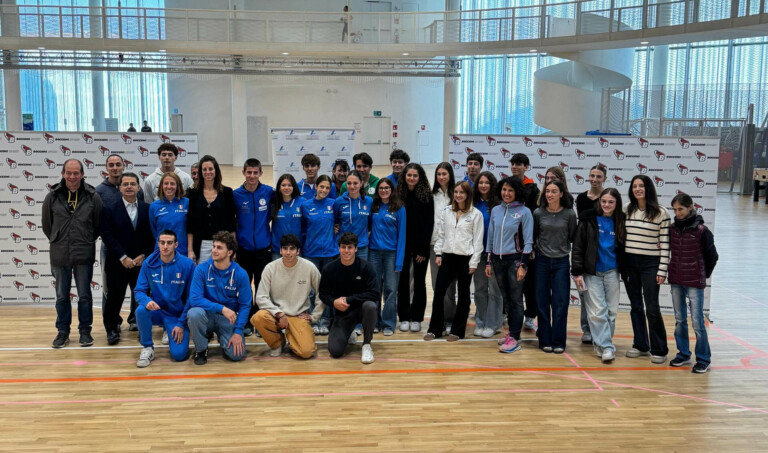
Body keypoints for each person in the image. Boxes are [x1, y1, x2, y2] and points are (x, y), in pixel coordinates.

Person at [43, 159, 103, 348]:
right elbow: (47, 225)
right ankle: (62, 332)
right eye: (68, 173)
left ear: (82, 174)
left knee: (84, 295)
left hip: (84, 252)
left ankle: (85, 331)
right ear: (62, 174)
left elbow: (97, 225)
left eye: (76, 173)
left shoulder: (92, 196)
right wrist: (59, 238)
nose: (72, 176)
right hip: (59, 253)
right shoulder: (52, 196)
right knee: (62, 296)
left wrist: (85, 238)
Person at [100, 172, 154, 344]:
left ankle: (142, 328)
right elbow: (107, 235)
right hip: (117, 263)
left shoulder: (148, 209)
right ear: (120, 188)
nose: (129, 187)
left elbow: (152, 236)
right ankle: (111, 329)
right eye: (125, 184)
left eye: (133, 184)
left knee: (142, 297)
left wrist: (143, 255)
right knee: (114, 297)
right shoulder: (109, 209)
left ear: (138, 187)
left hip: (141, 263)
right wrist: (123, 257)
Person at [425, 181, 484, 341]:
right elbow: (441, 234)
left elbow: (478, 241)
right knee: (439, 292)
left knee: (464, 295)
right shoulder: (447, 211)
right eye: (456, 192)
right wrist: (438, 253)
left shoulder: (476, 214)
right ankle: (435, 329)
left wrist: (474, 262)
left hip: (466, 259)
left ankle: (458, 331)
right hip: (448, 257)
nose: (458, 195)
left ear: (468, 194)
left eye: (462, 192)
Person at [572, 188, 625, 363]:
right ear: (599, 202)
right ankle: (607, 347)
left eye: (611, 202)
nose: (607, 205)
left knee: (611, 312)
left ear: (616, 204)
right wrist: (577, 271)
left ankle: (602, 344)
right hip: (591, 272)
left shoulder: (621, 220)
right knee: (597, 311)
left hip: (612, 272)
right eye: (604, 201)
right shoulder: (588, 219)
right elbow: (578, 246)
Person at [668, 193, 719, 374]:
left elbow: (712, 256)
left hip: (694, 282)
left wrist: (702, 274)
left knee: (697, 322)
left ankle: (703, 359)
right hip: (676, 280)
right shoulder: (672, 229)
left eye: (680, 209)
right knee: (679, 320)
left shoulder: (702, 231)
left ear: (691, 207)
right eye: (675, 210)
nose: (677, 213)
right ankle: (683, 354)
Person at [251, 234, 323, 359]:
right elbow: (261, 297)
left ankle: (294, 338)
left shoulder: (309, 267)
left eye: (292, 249)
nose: (288, 252)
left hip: (298, 315)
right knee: (258, 318)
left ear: (298, 251)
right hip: (276, 315)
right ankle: (277, 343)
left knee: (306, 352)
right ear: (280, 250)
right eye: (285, 248)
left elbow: (321, 292)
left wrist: (314, 316)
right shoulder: (270, 268)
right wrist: (279, 313)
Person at [624, 174, 671, 364]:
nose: (637, 189)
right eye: (634, 186)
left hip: (651, 264)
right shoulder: (626, 209)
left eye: (641, 186)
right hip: (630, 263)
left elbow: (665, 244)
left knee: (652, 307)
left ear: (648, 188)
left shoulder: (661, 212)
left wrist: (662, 270)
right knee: (635, 306)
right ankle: (641, 345)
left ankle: (659, 349)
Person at [134, 230, 196, 367]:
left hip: (177, 315)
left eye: (169, 243)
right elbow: (139, 291)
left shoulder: (187, 264)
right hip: (158, 310)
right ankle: (147, 348)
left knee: (179, 355)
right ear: (158, 244)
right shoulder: (149, 263)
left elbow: (192, 298)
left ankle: (170, 330)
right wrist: (147, 301)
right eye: (162, 243)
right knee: (141, 310)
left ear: (176, 245)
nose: (165, 246)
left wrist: (181, 323)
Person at [187, 231, 251, 365]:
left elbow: (245, 305)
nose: (214, 250)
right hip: (207, 315)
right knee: (194, 313)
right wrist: (221, 308)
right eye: (214, 246)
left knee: (236, 355)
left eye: (219, 248)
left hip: (227, 319)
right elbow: (194, 299)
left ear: (229, 252)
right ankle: (201, 349)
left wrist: (238, 331)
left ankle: (223, 337)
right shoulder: (201, 269)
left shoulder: (240, 273)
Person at [486, 177, 533, 354]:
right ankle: (512, 333)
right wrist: (488, 260)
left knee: (516, 300)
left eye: (510, 190)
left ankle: (515, 337)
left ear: (517, 192)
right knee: (506, 300)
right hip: (497, 261)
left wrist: (523, 265)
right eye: (504, 190)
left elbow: (528, 241)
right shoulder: (496, 210)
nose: (506, 193)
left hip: (515, 261)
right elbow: (490, 236)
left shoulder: (524, 212)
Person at [96, 154, 144, 326]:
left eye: (118, 164)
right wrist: (120, 254)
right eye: (111, 165)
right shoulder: (99, 191)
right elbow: (101, 223)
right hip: (112, 248)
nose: (115, 167)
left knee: (137, 287)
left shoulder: (139, 194)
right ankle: (112, 323)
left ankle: (135, 320)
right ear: (106, 168)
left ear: (123, 166)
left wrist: (142, 252)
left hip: (136, 250)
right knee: (110, 288)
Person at [321, 232, 380, 364]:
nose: (346, 251)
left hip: (362, 311)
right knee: (335, 352)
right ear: (339, 248)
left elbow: (375, 293)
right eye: (343, 247)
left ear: (356, 249)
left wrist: (349, 299)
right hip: (343, 313)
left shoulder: (365, 267)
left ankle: (367, 344)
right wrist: (333, 302)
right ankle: (349, 332)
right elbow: (323, 294)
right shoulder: (330, 269)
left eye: (350, 247)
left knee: (370, 306)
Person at [533, 180, 577, 354]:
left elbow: (572, 236)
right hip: (541, 262)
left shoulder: (569, 214)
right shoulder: (538, 213)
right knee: (542, 302)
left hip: (561, 263)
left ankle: (558, 341)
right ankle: (545, 340)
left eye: (554, 191)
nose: (549, 194)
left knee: (560, 303)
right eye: (547, 191)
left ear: (561, 194)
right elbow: (534, 236)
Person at [233, 158, 275, 336]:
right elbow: (232, 221)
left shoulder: (269, 192)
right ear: (243, 172)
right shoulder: (236, 195)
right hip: (243, 249)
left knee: (261, 286)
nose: (252, 176)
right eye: (249, 172)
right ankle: (247, 320)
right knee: (245, 287)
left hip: (264, 248)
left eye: (255, 172)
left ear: (260, 173)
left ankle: (260, 320)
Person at [397, 163, 434, 333]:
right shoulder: (398, 194)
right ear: (404, 176)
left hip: (420, 247)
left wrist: (423, 249)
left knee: (419, 281)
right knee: (403, 281)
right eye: (409, 175)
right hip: (402, 245)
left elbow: (429, 224)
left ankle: (417, 317)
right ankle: (404, 317)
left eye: (415, 175)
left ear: (420, 177)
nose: (412, 178)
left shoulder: (426, 195)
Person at [574, 164, 607, 345]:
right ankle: (586, 329)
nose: (594, 179)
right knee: (584, 293)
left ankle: (600, 330)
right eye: (592, 175)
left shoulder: (608, 196)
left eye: (598, 176)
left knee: (601, 297)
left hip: (604, 250)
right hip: (585, 250)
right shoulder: (581, 198)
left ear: (604, 179)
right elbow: (584, 219)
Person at [300, 174, 337, 335]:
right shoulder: (306, 206)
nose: (324, 190)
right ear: (316, 187)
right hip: (311, 253)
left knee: (327, 289)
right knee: (312, 290)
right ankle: (313, 320)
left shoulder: (333, 204)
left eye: (327, 188)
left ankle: (325, 320)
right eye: (321, 187)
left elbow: (339, 223)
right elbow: (302, 229)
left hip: (330, 253)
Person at [369, 178, 406, 335]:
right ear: (377, 190)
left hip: (391, 254)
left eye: (387, 188)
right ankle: (375, 322)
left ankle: (389, 324)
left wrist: (399, 262)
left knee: (391, 290)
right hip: (374, 253)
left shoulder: (399, 208)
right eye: (381, 188)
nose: (384, 190)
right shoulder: (374, 206)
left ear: (392, 190)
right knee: (375, 289)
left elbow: (402, 236)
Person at [186, 155, 236, 264]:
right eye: (204, 169)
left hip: (223, 244)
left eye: (210, 169)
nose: (207, 172)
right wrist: (190, 250)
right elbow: (190, 225)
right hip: (200, 245)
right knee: (202, 273)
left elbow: (232, 223)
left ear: (216, 170)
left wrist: (232, 248)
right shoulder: (193, 193)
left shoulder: (227, 192)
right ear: (200, 172)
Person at [509, 153, 539, 332]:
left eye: (519, 164)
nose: (515, 166)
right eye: (513, 163)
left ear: (526, 167)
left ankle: (530, 317)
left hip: (527, 241)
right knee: (511, 283)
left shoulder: (533, 188)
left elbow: (533, 217)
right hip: (509, 242)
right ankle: (510, 315)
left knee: (529, 283)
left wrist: (531, 244)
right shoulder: (506, 185)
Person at [472, 171, 503, 338]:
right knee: (480, 289)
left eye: (487, 183)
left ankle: (493, 324)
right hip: (478, 252)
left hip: (494, 254)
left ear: (492, 185)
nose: (483, 185)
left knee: (494, 290)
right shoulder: (473, 203)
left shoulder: (498, 204)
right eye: (480, 182)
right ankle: (481, 321)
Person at [429, 162, 457, 333]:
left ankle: (449, 319)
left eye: (444, 174)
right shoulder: (431, 195)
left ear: (450, 175)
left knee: (450, 287)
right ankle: (438, 320)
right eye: (438, 174)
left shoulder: (457, 194)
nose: (441, 177)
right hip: (434, 245)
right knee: (436, 286)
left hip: (452, 247)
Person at [334, 170, 373, 260]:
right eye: (349, 183)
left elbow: (370, 223)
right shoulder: (339, 201)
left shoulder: (369, 201)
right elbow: (335, 221)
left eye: (355, 183)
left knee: (361, 269)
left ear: (361, 183)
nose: (352, 186)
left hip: (361, 246)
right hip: (343, 246)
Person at [149, 172, 189, 257]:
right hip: (162, 253)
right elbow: (154, 231)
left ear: (178, 186)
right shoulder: (154, 206)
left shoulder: (187, 203)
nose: (169, 186)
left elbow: (191, 229)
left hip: (183, 252)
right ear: (161, 186)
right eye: (166, 183)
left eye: (172, 184)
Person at [271, 174, 304, 261]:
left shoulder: (302, 202)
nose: (286, 188)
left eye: (289, 185)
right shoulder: (273, 204)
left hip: (296, 249)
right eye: (283, 185)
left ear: (294, 187)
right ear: (279, 188)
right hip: (278, 249)